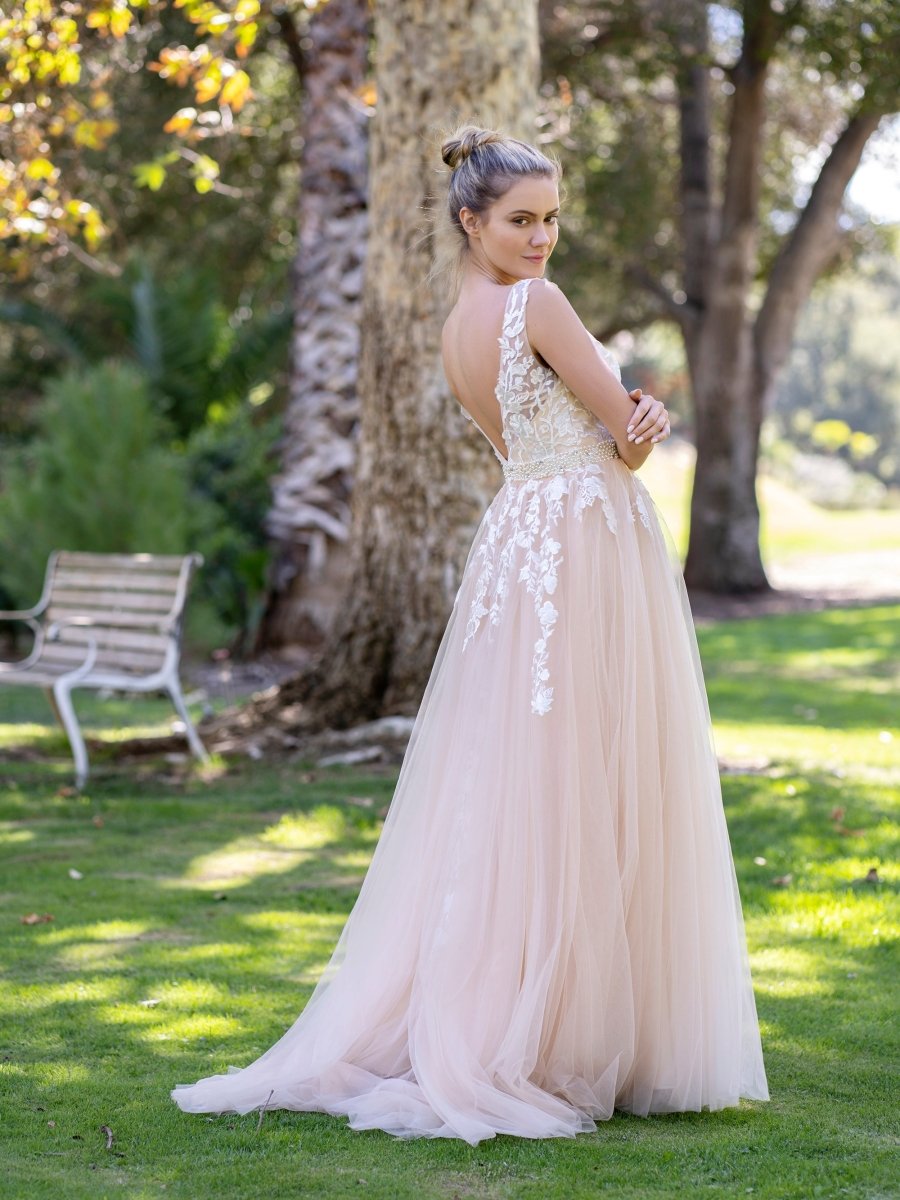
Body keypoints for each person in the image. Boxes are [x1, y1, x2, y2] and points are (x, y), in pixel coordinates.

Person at [171, 124, 769, 1145]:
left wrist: (626, 425)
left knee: (527, 780)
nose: (541, 239)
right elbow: (623, 442)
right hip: (581, 538)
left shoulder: (460, 324)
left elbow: (538, 434)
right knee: (592, 771)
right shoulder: (538, 304)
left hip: (521, 538)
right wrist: (648, 418)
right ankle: (570, 1034)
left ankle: (546, 1019)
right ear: (471, 221)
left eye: (551, 220)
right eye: (521, 220)